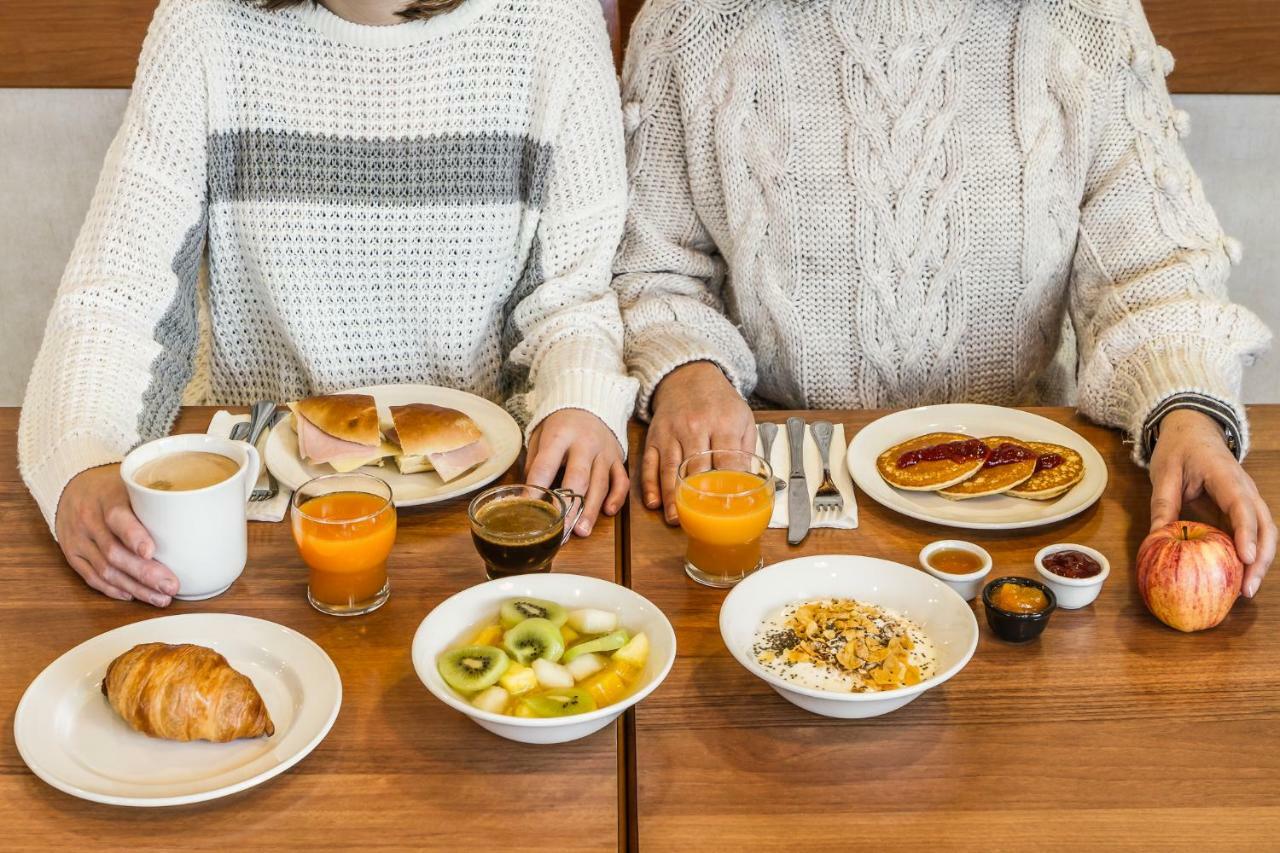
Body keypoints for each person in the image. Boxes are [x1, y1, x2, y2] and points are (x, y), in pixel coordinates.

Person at [616, 0, 1274, 595]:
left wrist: (1186, 413)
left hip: (1024, 509)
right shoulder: (694, 25)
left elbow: (1152, 274)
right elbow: (652, 271)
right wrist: (688, 367)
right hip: (785, 495)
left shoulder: (1088, 20)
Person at [18, 0, 636, 606]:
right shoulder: (200, 21)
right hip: (266, 526)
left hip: (484, 519)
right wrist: (82, 458)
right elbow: (120, 291)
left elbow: (571, 300)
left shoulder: (556, 21)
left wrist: (580, 401)